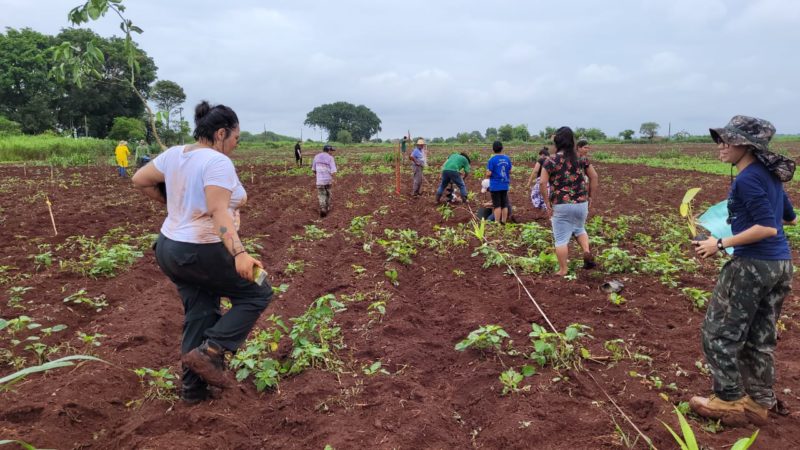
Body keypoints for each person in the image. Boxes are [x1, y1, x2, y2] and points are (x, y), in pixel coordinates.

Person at [131, 101, 273, 404]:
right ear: (221, 133)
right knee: (260, 291)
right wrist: (240, 254)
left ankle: (193, 390)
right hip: (201, 249)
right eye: (235, 138)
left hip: (169, 248)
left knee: (201, 312)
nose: (236, 144)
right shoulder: (217, 161)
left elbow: (140, 179)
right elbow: (218, 211)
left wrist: (173, 209)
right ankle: (211, 352)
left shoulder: (175, 154)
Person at [689, 115, 796, 427]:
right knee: (759, 336)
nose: (721, 146)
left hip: (752, 265)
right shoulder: (769, 176)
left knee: (718, 333)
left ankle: (728, 399)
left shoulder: (748, 179)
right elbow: (788, 219)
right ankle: (759, 401)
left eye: (728, 141)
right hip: (780, 266)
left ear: (747, 145)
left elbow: (767, 228)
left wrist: (720, 244)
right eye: (721, 140)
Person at [541, 127, 599, 276]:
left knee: (561, 238)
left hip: (561, 204)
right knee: (579, 229)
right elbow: (594, 176)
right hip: (581, 203)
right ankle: (586, 251)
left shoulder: (551, 160)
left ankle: (563, 270)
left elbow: (542, 183)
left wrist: (547, 203)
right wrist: (591, 196)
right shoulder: (581, 158)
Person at [486, 140, 512, 224]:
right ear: (502, 148)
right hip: (504, 184)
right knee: (504, 204)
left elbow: (489, 173)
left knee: (497, 205)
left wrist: (486, 176)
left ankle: (497, 223)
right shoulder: (507, 158)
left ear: (493, 149)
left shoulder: (492, 160)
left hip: (495, 185)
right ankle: (503, 222)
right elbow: (510, 170)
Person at [312, 145, 338, 217]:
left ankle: (323, 208)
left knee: (321, 194)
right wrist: (334, 179)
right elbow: (333, 171)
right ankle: (327, 208)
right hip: (328, 180)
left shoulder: (316, 156)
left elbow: (314, 170)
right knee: (328, 194)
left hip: (319, 180)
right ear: (328, 150)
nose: (332, 152)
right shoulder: (330, 158)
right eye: (331, 151)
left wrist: (318, 175)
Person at [526, 146, 551, 212]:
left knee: (534, 194)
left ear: (542, 155)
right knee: (545, 195)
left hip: (541, 180)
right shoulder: (552, 160)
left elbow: (535, 171)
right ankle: (544, 210)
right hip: (550, 181)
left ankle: (539, 209)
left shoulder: (541, 160)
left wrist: (529, 182)